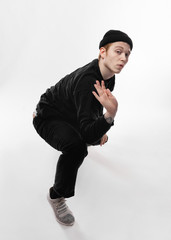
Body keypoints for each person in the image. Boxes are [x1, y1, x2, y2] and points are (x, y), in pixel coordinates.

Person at [33, 30, 133, 226]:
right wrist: (110, 115)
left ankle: (93, 132)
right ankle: (56, 195)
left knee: (93, 134)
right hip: (48, 117)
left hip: (69, 113)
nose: (123, 58)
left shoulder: (108, 75)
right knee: (78, 147)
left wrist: (100, 126)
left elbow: (92, 106)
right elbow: (91, 118)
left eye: (127, 54)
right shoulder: (88, 80)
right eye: (118, 51)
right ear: (102, 52)